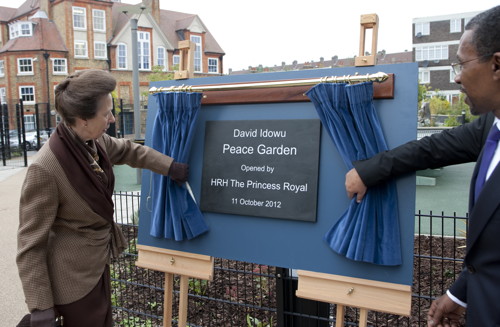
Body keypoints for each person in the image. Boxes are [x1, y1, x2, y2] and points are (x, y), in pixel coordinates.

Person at [345, 5, 500, 327]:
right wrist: (460, 294)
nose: (456, 76)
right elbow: (432, 148)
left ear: (497, 64)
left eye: (462, 63)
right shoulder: (490, 127)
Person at [16, 69, 189, 326]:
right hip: (71, 282)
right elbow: (30, 244)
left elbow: (131, 151)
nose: (112, 118)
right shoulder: (46, 168)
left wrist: (171, 167)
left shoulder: (94, 143)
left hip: (96, 267)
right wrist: (40, 306)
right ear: (83, 119)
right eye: (106, 113)